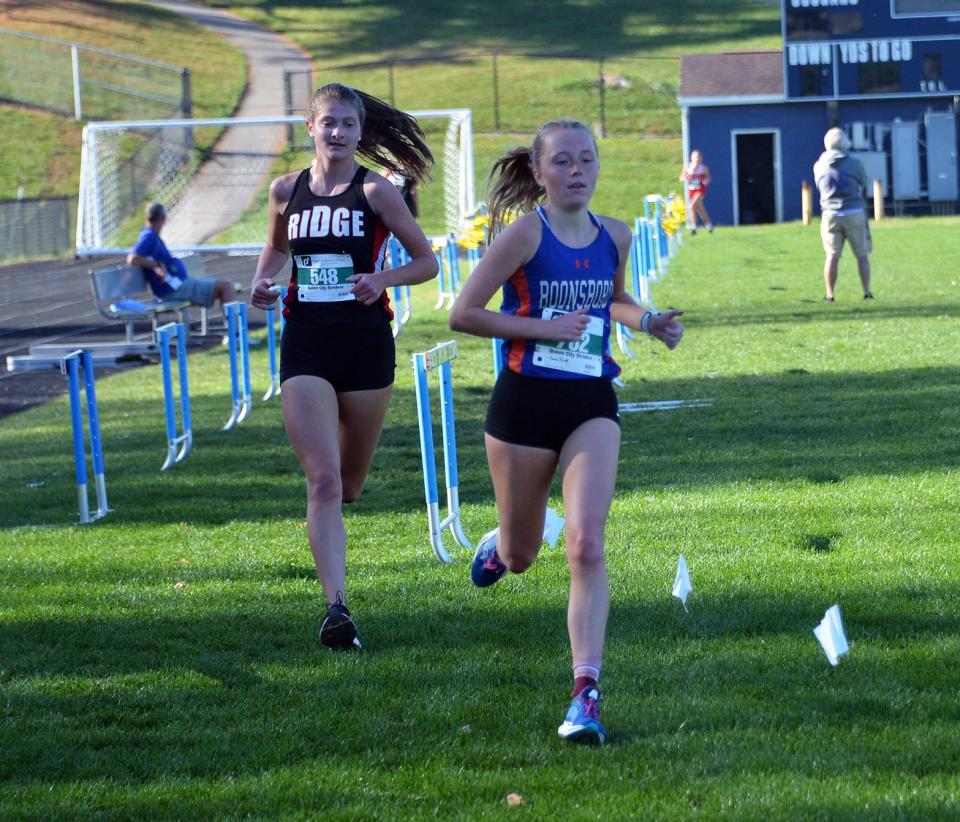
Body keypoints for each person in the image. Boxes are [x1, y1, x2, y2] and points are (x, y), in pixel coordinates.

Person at [448, 120, 684, 745]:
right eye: (563, 162)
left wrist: (648, 320)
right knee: (525, 555)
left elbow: (611, 300)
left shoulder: (617, 234)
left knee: (585, 544)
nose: (576, 170)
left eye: (586, 160)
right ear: (540, 171)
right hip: (524, 408)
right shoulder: (525, 234)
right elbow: (463, 312)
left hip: (590, 402)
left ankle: (586, 693)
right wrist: (540, 331)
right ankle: (501, 548)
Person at [249, 83, 438, 651]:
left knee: (349, 484)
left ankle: (338, 500)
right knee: (323, 480)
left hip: (365, 345)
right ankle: (336, 609)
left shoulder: (376, 191)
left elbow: (426, 261)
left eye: (347, 124)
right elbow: (278, 254)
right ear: (310, 128)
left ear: (360, 132)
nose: (337, 132)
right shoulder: (285, 191)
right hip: (305, 342)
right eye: (327, 122)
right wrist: (262, 284)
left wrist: (380, 279)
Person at [127, 202, 237, 308]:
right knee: (226, 287)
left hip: (176, 285)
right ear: (163, 219)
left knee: (226, 286)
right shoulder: (149, 236)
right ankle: (233, 326)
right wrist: (156, 264)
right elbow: (132, 259)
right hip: (173, 288)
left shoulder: (151, 235)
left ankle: (231, 325)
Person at [813, 127, 873, 302]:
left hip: (830, 214)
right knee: (862, 254)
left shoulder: (819, 165)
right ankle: (867, 292)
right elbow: (863, 182)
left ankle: (830, 294)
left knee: (832, 256)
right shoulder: (855, 163)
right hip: (854, 212)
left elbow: (819, 186)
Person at [678, 149, 713, 234]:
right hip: (691, 190)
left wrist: (706, 181)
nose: (697, 159)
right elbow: (681, 178)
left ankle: (693, 228)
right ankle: (709, 226)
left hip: (700, 191)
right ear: (691, 158)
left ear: (701, 158)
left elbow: (708, 179)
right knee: (700, 209)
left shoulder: (703, 168)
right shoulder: (687, 167)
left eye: (698, 157)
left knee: (691, 206)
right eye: (695, 157)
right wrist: (685, 178)